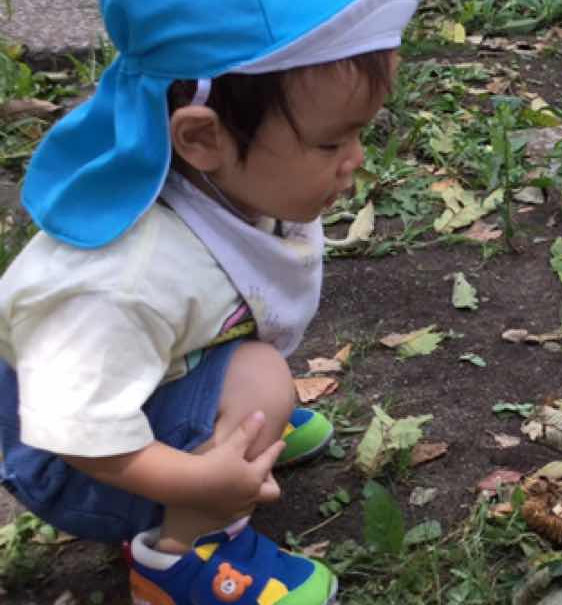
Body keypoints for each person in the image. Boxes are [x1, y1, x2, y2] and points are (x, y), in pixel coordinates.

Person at [0, 0, 417, 602]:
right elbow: (73, 432)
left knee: (254, 383)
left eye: (359, 133)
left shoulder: (231, 185)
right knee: (261, 377)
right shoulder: (122, 282)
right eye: (330, 144)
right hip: (75, 460)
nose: (354, 159)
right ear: (201, 137)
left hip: (132, 387)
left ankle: (220, 419)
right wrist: (199, 480)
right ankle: (181, 557)